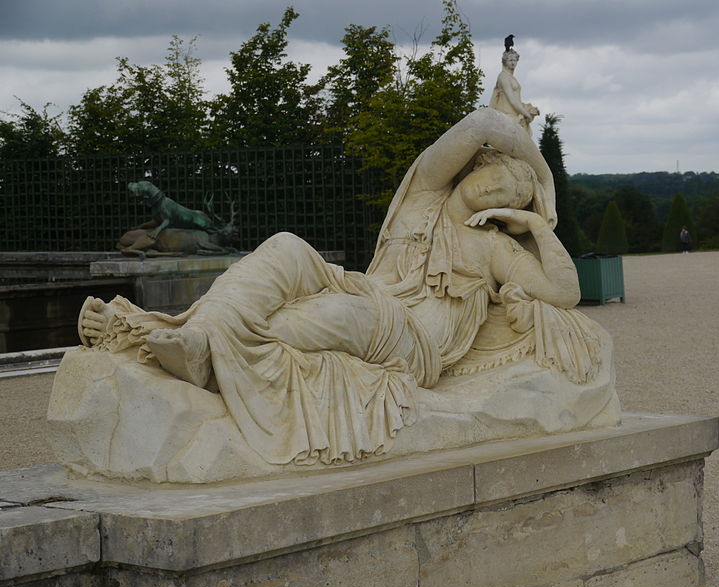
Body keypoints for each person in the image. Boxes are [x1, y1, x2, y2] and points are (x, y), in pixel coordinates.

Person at [79, 108, 591, 467]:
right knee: (284, 246)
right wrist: (542, 173)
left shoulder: (496, 248)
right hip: (363, 292)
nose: (500, 189)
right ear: (477, 167)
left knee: (306, 322)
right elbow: (483, 123)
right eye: (500, 175)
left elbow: (564, 292)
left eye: (513, 194)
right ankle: (197, 339)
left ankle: (205, 352)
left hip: (408, 341)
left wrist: (538, 225)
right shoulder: (423, 199)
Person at [489, 48, 539, 134]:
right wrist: (526, 114)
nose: (513, 63)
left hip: (515, 115)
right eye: (510, 60)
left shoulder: (511, 77)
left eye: (515, 60)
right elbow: (512, 100)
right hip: (506, 115)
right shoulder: (503, 77)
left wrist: (528, 109)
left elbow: (516, 100)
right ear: (505, 61)